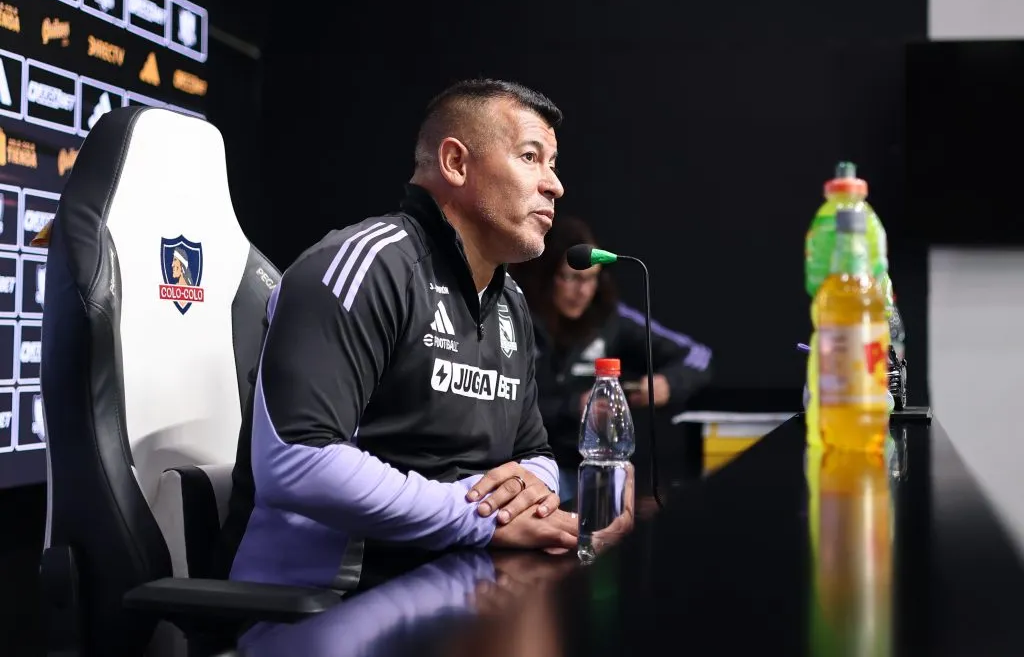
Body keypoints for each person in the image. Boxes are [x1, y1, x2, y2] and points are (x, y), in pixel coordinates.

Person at [215, 79, 578, 592]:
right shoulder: (365, 264)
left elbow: (536, 451)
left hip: (458, 579)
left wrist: (527, 484)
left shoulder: (510, 302)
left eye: (554, 164)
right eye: (530, 157)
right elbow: (298, 461)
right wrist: (479, 515)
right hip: (329, 600)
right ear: (455, 162)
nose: (554, 185)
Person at [509, 215, 713, 503]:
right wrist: (574, 407)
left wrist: (667, 383)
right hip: (525, 469)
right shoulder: (513, 314)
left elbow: (697, 355)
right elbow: (501, 406)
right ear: (546, 275)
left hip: (595, 471)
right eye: (571, 278)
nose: (582, 291)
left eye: (591, 279)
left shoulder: (609, 317)